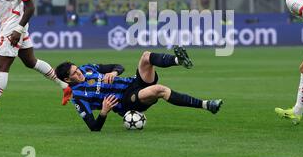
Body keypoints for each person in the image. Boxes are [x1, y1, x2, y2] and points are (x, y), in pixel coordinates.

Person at [55, 46, 223, 131]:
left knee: (146, 56)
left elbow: (118, 65)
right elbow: (93, 126)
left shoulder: (88, 69)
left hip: (133, 83)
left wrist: (114, 72)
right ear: (67, 79)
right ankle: (207, 105)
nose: (79, 73)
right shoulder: (78, 96)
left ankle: (179, 61)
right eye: (75, 74)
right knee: (160, 90)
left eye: (77, 69)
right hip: (127, 102)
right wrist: (104, 112)